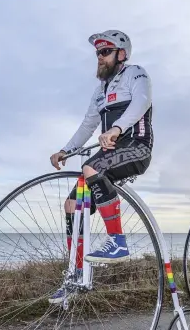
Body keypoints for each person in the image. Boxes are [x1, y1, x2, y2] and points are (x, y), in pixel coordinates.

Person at [48, 30, 153, 302]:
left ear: (122, 54)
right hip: (108, 154)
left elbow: (142, 102)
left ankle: (118, 241)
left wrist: (117, 128)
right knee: (72, 205)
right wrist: (65, 150)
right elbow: (87, 125)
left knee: (91, 168)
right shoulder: (100, 91)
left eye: (105, 52)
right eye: (97, 54)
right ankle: (76, 272)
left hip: (136, 147)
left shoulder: (135, 74)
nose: (100, 58)